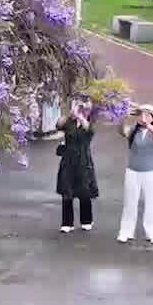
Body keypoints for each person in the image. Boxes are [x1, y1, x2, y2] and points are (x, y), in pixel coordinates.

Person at [119, 104, 153, 244]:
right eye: (140, 114)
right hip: (132, 171)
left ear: (152, 117)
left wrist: (148, 124)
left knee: (151, 203)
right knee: (130, 202)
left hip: (151, 172)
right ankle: (126, 232)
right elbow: (122, 131)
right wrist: (123, 117)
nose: (143, 117)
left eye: (147, 114)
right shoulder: (134, 130)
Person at [55, 99, 98, 233]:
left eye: (85, 109)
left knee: (84, 191)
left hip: (84, 161)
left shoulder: (89, 123)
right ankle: (67, 223)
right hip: (68, 160)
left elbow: (89, 130)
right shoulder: (69, 122)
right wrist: (70, 113)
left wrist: (80, 117)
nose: (82, 110)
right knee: (67, 191)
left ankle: (86, 220)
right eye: (81, 108)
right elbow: (58, 125)